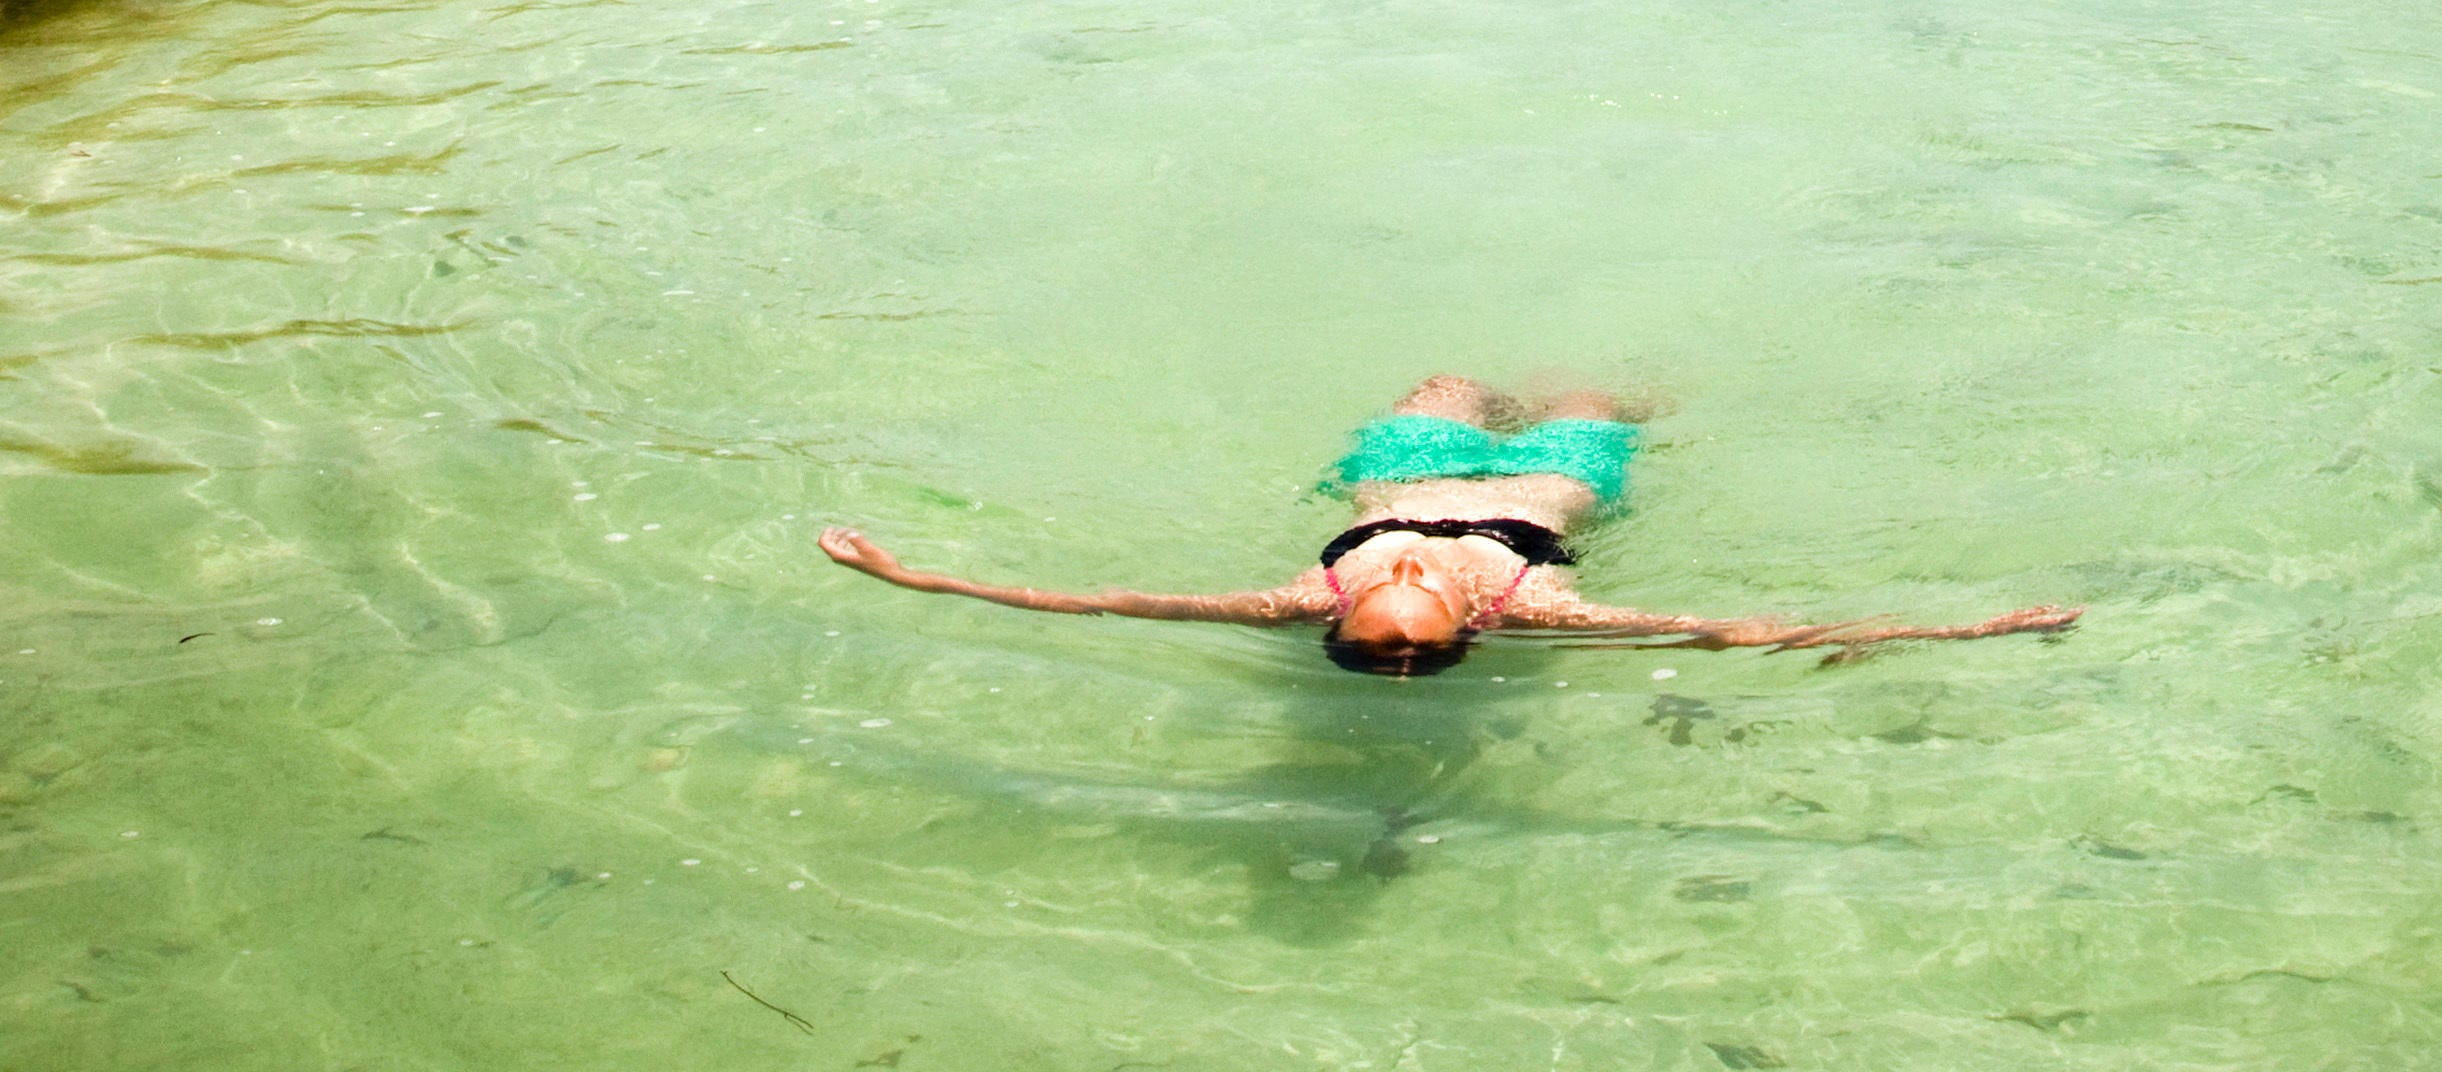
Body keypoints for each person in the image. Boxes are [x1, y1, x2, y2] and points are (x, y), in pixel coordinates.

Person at [817, 374, 2081, 678]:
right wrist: (1970, 625)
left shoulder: (1297, 595)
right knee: (1597, 396)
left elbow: (1092, 600)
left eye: (1391, 581)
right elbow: (1738, 628)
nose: (1408, 563)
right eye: (1420, 584)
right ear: (1472, 611)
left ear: (1345, 604)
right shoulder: (1539, 601)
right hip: (1555, 486)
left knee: (1444, 379)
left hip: (1403, 462)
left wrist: (911, 572)